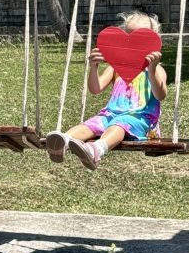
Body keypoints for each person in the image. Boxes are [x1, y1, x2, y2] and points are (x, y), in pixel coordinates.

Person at [44, 12, 167, 170]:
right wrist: (93, 67)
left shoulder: (157, 70)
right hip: (111, 114)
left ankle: (97, 149)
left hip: (141, 119)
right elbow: (95, 89)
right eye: (130, 39)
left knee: (119, 124)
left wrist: (151, 70)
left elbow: (160, 94)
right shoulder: (115, 68)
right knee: (91, 124)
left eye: (141, 40)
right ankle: (63, 141)